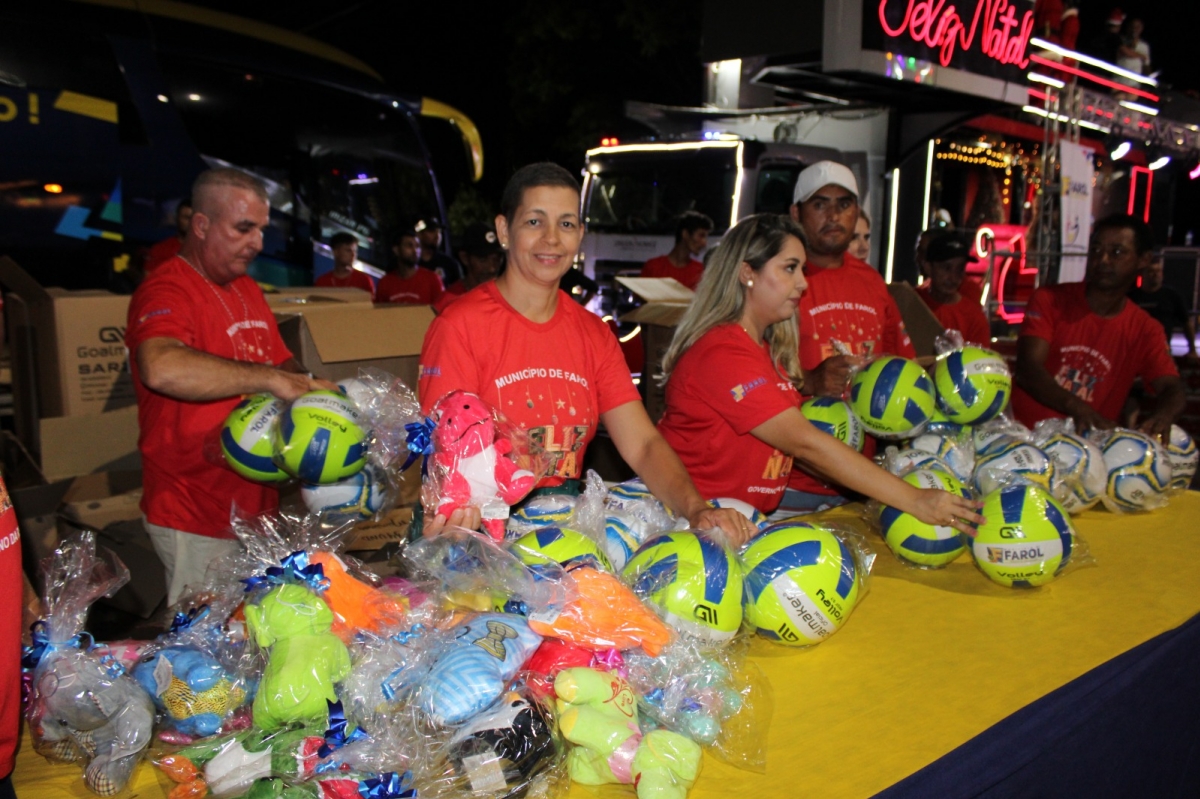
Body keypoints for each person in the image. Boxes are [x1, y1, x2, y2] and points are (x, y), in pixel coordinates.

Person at [418, 162, 752, 543]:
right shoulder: (460, 326)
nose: (551, 239)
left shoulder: (593, 334)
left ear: (580, 235)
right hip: (482, 537)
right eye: (533, 222)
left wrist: (696, 509)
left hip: (565, 536)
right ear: (503, 231)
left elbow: (643, 445)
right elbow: (449, 459)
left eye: (566, 224)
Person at [657, 213, 982, 531]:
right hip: (690, 523)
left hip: (737, 522)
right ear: (747, 273)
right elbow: (804, 443)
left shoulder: (765, 351)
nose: (802, 283)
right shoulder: (723, 352)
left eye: (801, 269)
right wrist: (915, 500)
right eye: (790, 268)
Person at [126, 168, 334, 604]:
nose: (258, 243)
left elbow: (281, 361)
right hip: (194, 510)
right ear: (201, 225)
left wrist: (318, 392)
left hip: (255, 506)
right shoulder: (166, 289)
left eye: (261, 229)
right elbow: (160, 367)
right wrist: (272, 380)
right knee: (202, 650)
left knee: (254, 635)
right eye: (244, 228)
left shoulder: (246, 289)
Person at [781, 160, 915, 515]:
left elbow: (902, 365)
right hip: (789, 483)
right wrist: (809, 380)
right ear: (796, 213)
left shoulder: (871, 282)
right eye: (820, 204)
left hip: (861, 481)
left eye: (844, 204)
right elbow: (745, 374)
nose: (834, 215)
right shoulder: (778, 279)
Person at [1012, 214, 1184, 438]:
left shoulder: (1145, 328)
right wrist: (1078, 408)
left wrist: (1163, 416)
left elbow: (1172, 387)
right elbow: (1028, 369)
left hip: (1087, 454)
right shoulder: (1050, 299)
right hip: (1023, 442)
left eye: (1117, 252)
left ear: (1143, 259)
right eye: (1096, 250)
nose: (1102, 259)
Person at [916, 231, 992, 347]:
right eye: (946, 268)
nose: (953, 277)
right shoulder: (912, 301)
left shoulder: (974, 318)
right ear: (928, 267)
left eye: (959, 269)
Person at [1127, 253, 1198, 362]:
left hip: (1161, 350)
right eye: (1151, 271)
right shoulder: (1131, 297)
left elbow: (1186, 322)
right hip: (1134, 350)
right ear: (1143, 274)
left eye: (1158, 271)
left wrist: (1192, 349)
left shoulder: (1172, 296)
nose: (1155, 275)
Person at [433, 222, 504, 313]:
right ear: (464, 258)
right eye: (483, 260)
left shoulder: (511, 298)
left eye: (497, 259)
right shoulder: (447, 303)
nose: (492, 268)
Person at [639, 211, 713, 291]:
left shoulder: (700, 272)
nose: (704, 243)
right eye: (701, 235)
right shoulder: (653, 267)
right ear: (685, 234)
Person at [376, 230, 446, 305]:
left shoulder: (433, 280)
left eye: (417, 246)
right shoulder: (385, 283)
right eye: (409, 246)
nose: (415, 250)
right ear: (396, 250)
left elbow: (442, 310)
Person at [315, 232, 375, 299]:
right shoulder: (322, 282)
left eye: (355, 251)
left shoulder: (364, 280)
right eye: (348, 250)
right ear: (336, 252)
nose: (353, 254)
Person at [145, 198, 193, 273]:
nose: (191, 222)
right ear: (176, 219)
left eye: (194, 218)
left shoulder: (208, 251)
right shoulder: (160, 250)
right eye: (186, 218)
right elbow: (149, 279)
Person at [415, 216, 463, 286]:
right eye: (431, 231)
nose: (437, 235)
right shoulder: (412, 264)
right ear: (419, 235)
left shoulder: (449, 264)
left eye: (439, 231)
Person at [1116, 17, 1150, 86]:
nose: (1134, 29)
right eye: (1132, 26)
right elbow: (1124, 52)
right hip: (1119, 80)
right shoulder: (1120, 40)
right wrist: (1140, 55)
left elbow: (1146, 65)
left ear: (1141, 28)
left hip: (1134, 83)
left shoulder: (1144, 46)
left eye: (1137, 27)